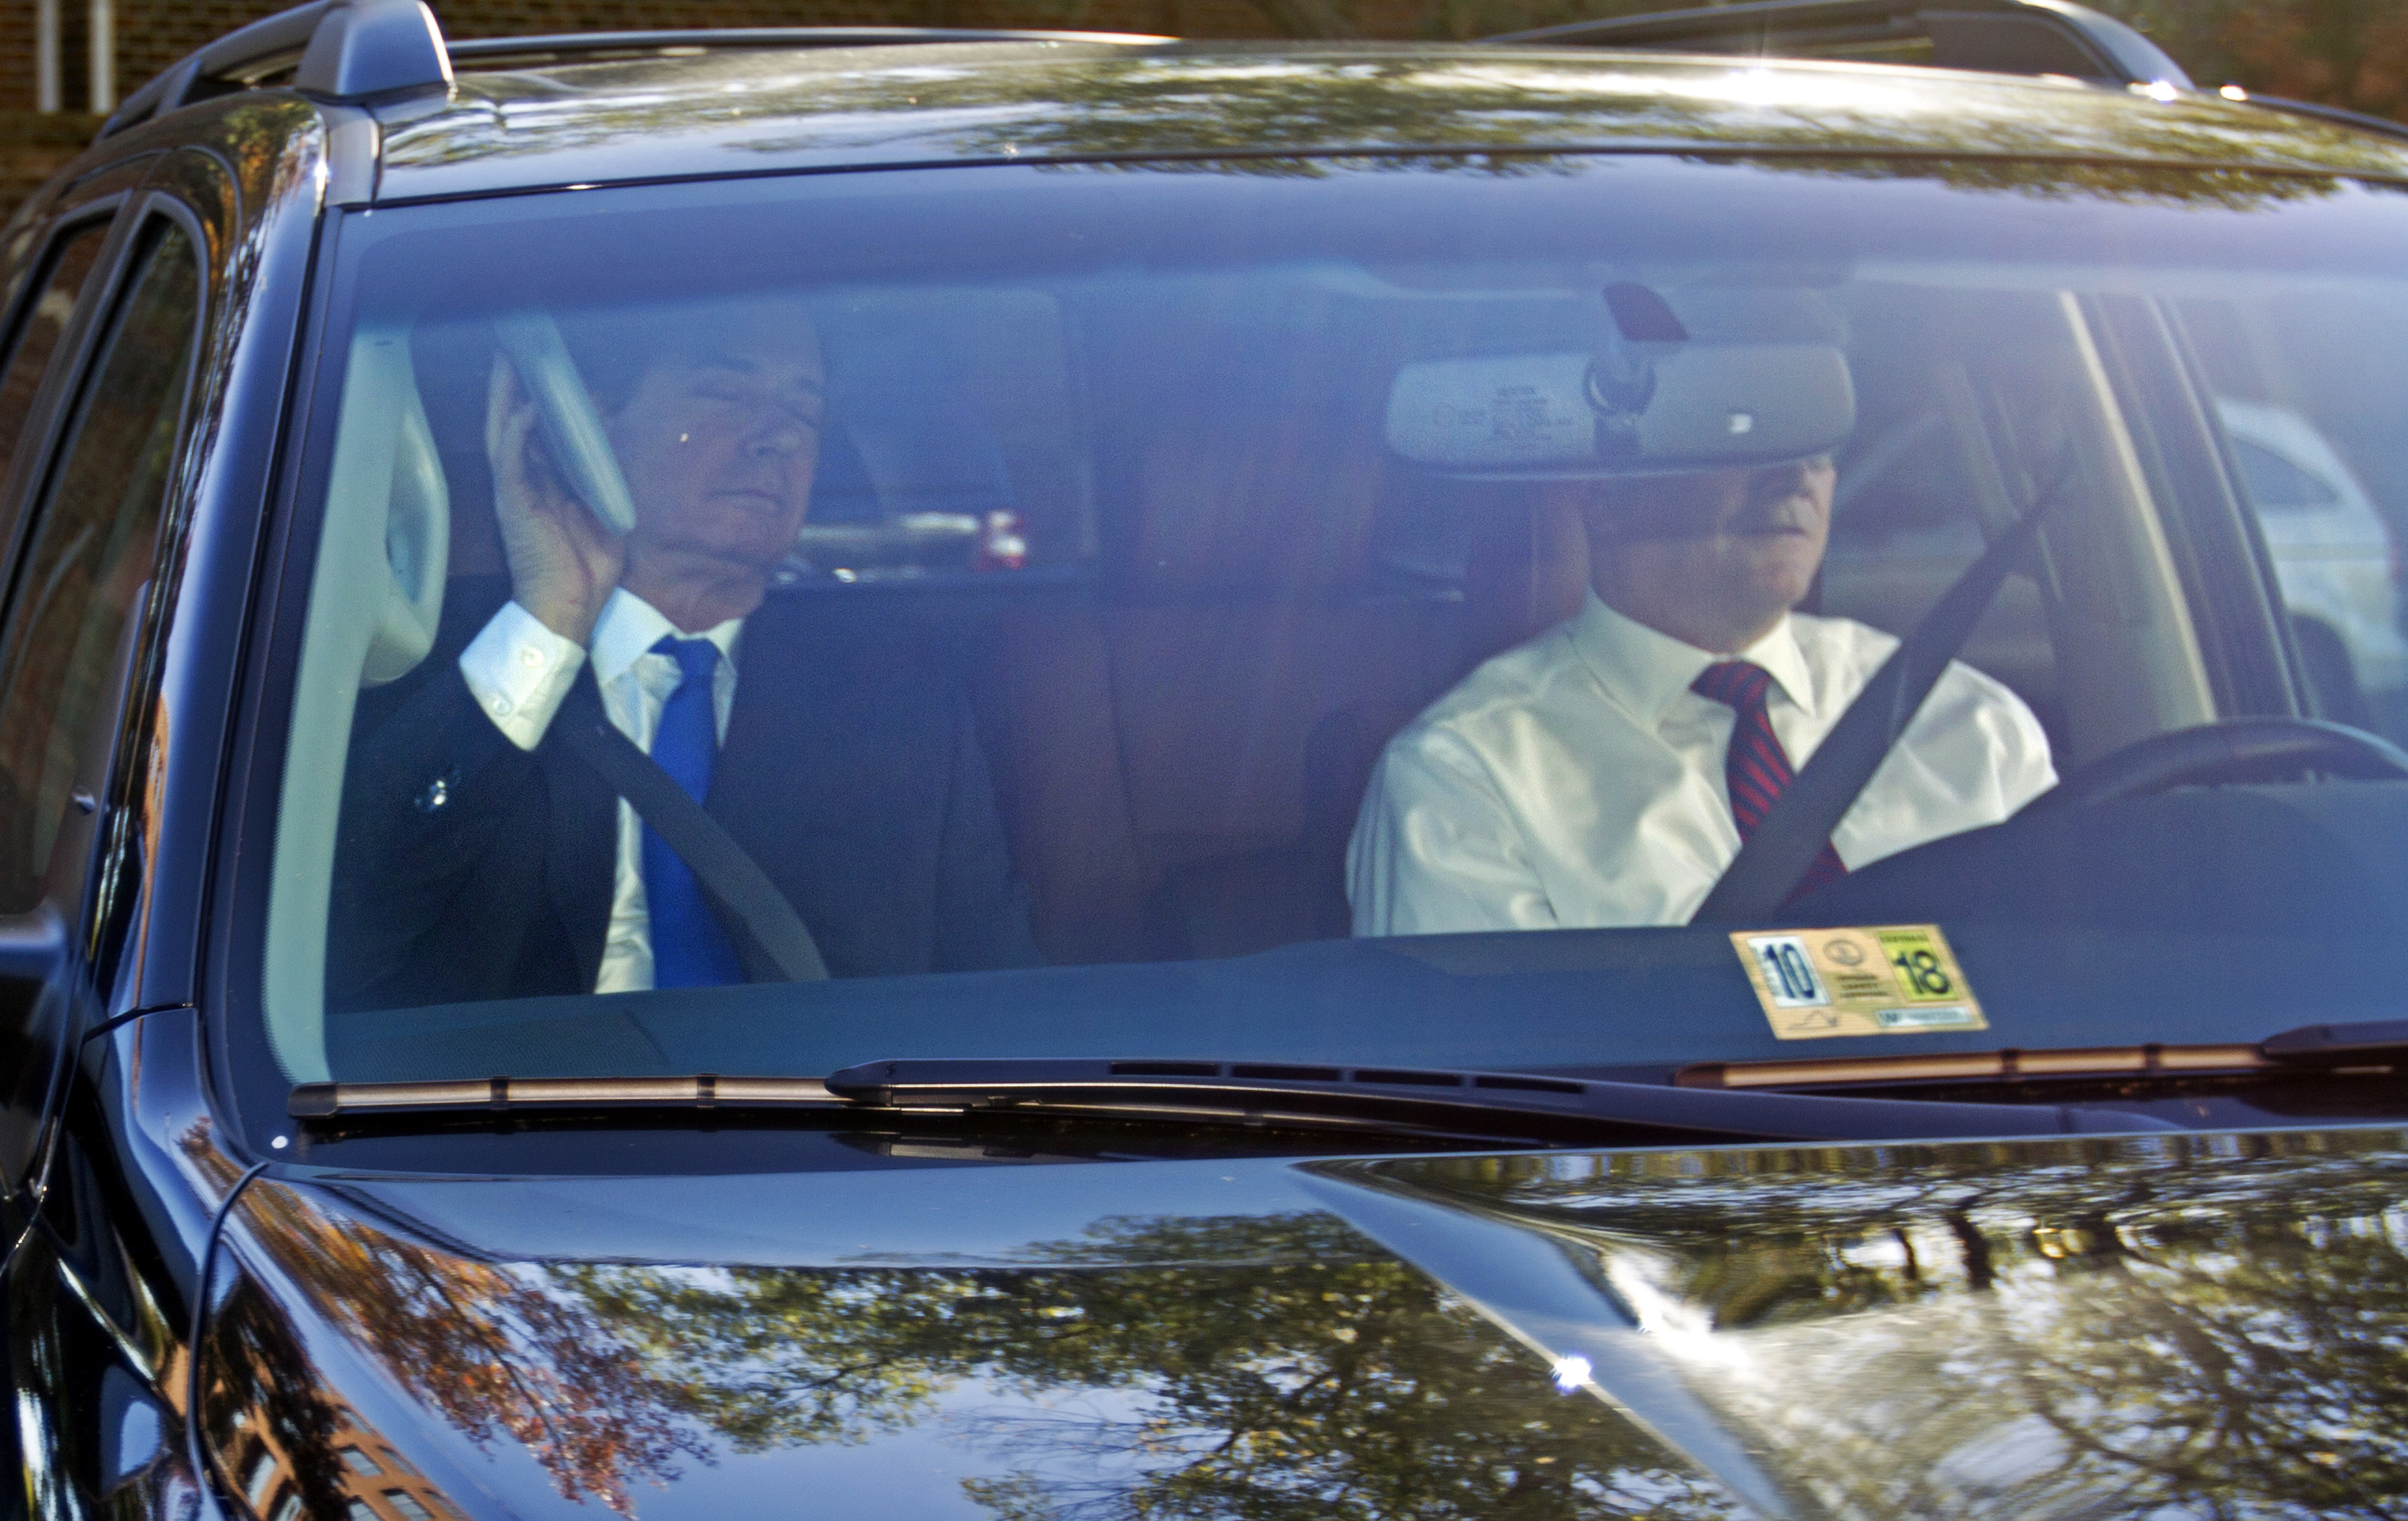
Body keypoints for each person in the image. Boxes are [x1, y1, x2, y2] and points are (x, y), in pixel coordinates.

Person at [327, 298, 1039, 1009]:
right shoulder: (427, 656)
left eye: (804, 413)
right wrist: (548, 621)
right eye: (725, 392)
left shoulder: (902, 706)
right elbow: (336, 944)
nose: (778, 440)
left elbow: (997, 1000)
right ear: (591, 428)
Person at [1348, 453, 2056, 934]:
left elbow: (2068, 998)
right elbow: (1505, 1115)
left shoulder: (1973, 728)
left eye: (1819, 436)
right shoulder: (1464, 779)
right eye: (1746, 426)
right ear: (1605, 498)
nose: (1796, 473)